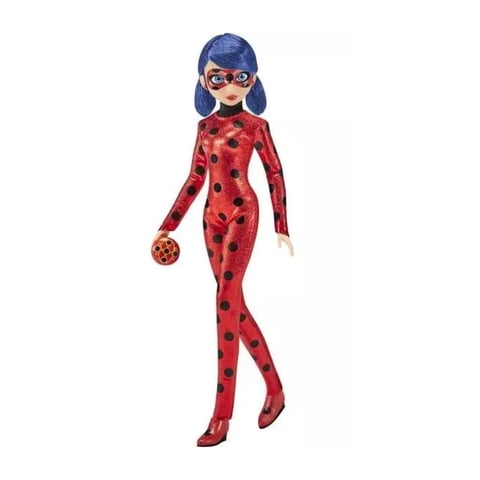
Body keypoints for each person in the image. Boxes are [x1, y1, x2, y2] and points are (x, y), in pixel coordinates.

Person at [153, 33, 294, 447]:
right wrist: (168, 224)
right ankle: (275, 389)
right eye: (219, 78)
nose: (230, 86)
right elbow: (195, 178)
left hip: (241, 214)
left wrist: (281, 225)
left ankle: (221, 416)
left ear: (253, 79)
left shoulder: (256, 127)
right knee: (231, 304)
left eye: (240, 76)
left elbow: (274, 173)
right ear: (204, 81)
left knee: (224, 304)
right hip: (210, 218)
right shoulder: (205, 128)